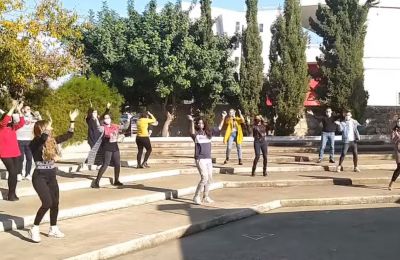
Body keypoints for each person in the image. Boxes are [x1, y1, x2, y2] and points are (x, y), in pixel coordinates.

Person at [28, 109, 79, 242]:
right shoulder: (34, 143)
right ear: (41, 129)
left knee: (55, 203)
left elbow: (69, 135)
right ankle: (34, 228)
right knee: (47, 202)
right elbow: (43, 138)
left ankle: (53, 228)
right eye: (47, 128)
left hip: (51, 175)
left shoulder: (52, 141)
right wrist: (47, 125)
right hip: (39, 176)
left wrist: (72, 120)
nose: (51, 130)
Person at [89, 111, 123, 188]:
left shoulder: (114, 126)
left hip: (115, 146)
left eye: (108, 118)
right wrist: (95, 119)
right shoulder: (103, 127)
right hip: (107, 147)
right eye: (105, 118)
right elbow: (97, 127)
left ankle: (116, 180)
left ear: (110, 119)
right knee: (105, 164)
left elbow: (121, 129)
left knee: (117, 164)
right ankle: (96, 182)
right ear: (103, 120)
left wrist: (120, 135)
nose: (107, 119)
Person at [0, 100, 25, 201]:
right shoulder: (1, 126)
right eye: (9, 118)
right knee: (13, 172)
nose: (10, 119)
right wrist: (12, 107)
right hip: (5, 153)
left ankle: (13, 193)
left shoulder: (13, 128)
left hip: (15, 152)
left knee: (14, 173)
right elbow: (5, 120)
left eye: (11, 118)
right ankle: (10, 194)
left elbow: (22, 123)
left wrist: (19, 110)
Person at [188, 115, 214, 205]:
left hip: (208, 158)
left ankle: (206, 196)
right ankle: (196, 196)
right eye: (199, 123)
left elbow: (218, 128)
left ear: (204, 124)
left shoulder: (208, 133)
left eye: (202, 123)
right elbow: (191, 132)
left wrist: (223, 118)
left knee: (210, 178)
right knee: (204, 177)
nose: (200, 124)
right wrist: (191, 121)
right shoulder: (196, 134)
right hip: (200, 158)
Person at [13, 106, 41, 181]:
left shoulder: (32, 118)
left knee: (29, 158)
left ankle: (28, 174)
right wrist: (18, 109)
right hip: (19, 140)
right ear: (23, 110)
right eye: (27, 109)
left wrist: (38, 115)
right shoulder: (17, 116)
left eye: (29, 109)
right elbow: (7, 115)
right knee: (20, 158)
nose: (29, 110)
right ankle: (19, 174)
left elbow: (42, 122)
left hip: (29, 141)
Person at [86, 102, 110, 170]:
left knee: (99, 151)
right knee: (93, 150)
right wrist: (90, 107)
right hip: (91, 138)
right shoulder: (89, 120)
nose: (95, 114)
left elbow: (105, 114)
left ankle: (98, 164)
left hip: (98, 138)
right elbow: (88, 115)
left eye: (96, 113)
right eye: (93, 113)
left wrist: (107, 108)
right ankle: (92, 164)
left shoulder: (99, 119)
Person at [388, 118, 400, 190]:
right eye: (398, 121)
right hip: (398, 151)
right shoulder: (394, 130)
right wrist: (396, 136)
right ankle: (391, 183)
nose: (399, 122)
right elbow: (392, 139)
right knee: (399, 167)